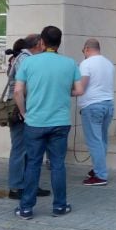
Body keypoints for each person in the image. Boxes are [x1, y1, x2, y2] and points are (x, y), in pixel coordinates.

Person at [14, 26, 83, 219]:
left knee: (33, 164)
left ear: (42, 42)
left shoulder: (29, 63)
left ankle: (26, 208)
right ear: (59, 42)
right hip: (60, 122)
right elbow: (79, 90)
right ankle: (60, 206)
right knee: (58, 164)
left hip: (35, 122)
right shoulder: (70, 63)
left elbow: (18, 91)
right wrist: (63, 91)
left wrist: (23, 113)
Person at [5, 35, 50, 200]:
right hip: (20, 110)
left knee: (30, 150)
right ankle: (16, 187)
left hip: (26, 109)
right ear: (38, 44)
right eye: (43, 44)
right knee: (20, 148)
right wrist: (24, 112)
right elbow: (23, 87)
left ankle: (29, 184)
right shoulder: (25, 59)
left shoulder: (23, 58)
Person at [78, 38, 115, 186]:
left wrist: (71, 91)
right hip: (108, 104)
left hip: (92, 106)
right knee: (102, 140)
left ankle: (100, 175)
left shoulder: (86, 64)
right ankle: (98, 169)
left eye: (83, 51)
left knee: (94, 141)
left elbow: (82, 85)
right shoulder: (108, 63)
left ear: (87, 49)